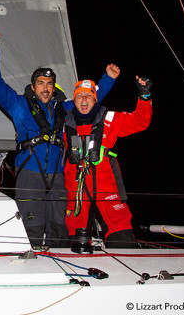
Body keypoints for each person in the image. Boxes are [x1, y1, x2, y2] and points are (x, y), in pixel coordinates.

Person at [0, 32, 119, 248]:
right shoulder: (18, 104)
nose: (46, 88)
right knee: (31, 227)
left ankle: (64, 269)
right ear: (33, 86)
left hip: (57, 177)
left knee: (59, 227)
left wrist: (108, 78)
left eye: (50, 84)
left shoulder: (63, 108)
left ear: (54, 88)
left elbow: (89, 98)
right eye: (41, 83)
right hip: (29, 174)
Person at [64, 76, 152, 248]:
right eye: (79, 96)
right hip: (77, 191)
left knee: (122, 237)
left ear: (95, 99)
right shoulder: (63, 123)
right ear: (73, 100)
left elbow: (141, 121)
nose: (84, 99)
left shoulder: (109, 119)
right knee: (74, 241)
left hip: (107, 188)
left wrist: (145, 96)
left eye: (88, 96)